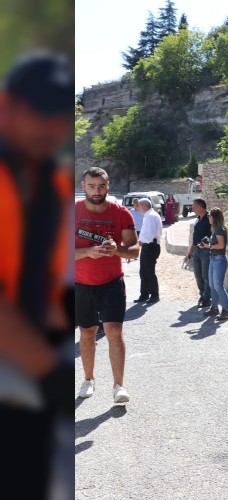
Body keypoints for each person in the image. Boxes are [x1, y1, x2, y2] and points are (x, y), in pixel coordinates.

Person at [0, 51, 76, 498]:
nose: (53, 127)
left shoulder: (49, 180)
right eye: (42, 112)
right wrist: (48, 370)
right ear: (7, 105)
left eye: (61, 116)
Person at [75, 167, 139, 404]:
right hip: (81, 283)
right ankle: (89, 379)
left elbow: (134, 249)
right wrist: (87, 252)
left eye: (101, 186)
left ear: (108, 186)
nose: (96, 191)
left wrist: (118, 250)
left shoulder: (121, 213)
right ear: (83, 186)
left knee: (114, 332)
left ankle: (119, 386)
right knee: (87, 333)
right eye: (91, 186)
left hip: (112, 282)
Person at [200, 207, 228, 320]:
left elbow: (221, 245)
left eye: (209, 216)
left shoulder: (219, 229)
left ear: (213, 217)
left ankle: (226, 310)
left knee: (218, 286)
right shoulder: (216, 229)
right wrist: (208, 244)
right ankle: (214, 308)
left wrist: (208, 246)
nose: (208, 217)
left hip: (219, 260)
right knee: (212, 285)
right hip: (214, 259)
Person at [134, 198, 163, 304]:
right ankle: (144, 294)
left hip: (150, 246)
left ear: (144, 206)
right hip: (148, 246)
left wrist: (138, 244)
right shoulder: (148, 216)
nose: (138, 208)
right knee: (144, 271)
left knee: (149, 271)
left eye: (139, 206)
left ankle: (154, 295)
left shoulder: (151, 216)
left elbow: (149, 235)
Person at [187, 198, 212, 308]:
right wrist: (191, 250)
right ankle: (202, 295)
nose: (192, 208)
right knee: (198, 275)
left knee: (205, 275)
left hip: (206, 250)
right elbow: (195, 237)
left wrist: (207, 243)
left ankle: (207, 299)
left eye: (194, 206)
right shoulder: (197, 219)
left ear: (200, 207)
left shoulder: (209, 219)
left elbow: (214, 235)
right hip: (196, 250)